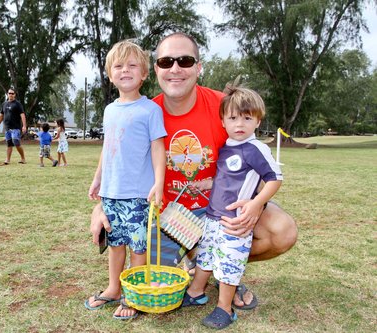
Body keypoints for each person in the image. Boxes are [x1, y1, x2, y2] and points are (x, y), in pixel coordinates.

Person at [90, 32, 297, 312]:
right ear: (156, 70)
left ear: (199, 67)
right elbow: (116, 160)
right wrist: (101, 207)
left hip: (218, 210)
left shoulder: (225, 107)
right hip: (167, 217)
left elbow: (255, 157)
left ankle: (225, 272)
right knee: (152, 283)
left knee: (282, 231)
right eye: (166, 61)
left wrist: (255, 206)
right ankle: (199, 262)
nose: (175, 68)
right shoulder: (143, 112)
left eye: (185, 61)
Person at [182, 82, 283, 329]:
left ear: (258, 121)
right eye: (233, 118)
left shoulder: (256, 149)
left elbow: (275, 179)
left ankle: (225, 308)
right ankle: (196, 293)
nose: (240, 124)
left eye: (247, 118)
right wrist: (206, 185)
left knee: (229, 263)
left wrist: (255, 203)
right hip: (212, 217)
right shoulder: (226, 147)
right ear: (223, 121)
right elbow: (224, 178)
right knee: (205, 257)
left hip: (235, 221)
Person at [84, 40, 167, 320]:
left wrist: (159, 182)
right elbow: (108, 147)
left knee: (137, 247)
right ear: (110, 74)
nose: (125, 70)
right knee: (115, 243)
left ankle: (133, 295)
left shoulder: (150, 110)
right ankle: (113, 288)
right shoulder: (109, 110)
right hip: (111, 192)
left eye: (133, 65)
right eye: (118, 66)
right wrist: (98, 179)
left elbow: (158, 148)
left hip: (138, 195)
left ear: (144, 73)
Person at [0, 88, 27, 165]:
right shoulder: (4, 104)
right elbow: (1, 115)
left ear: (15, 95)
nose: (11, 95)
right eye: (9, 93)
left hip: (15, 127)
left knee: (16, 141)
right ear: (7, 94)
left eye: (12, 93)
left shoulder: (17, 104)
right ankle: (7, 160)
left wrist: (24, 126)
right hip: (7, 128)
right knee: (9, 143)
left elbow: (22, 115)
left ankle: (23, 158)